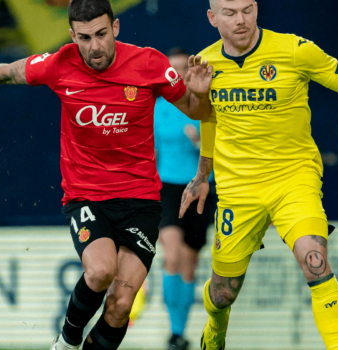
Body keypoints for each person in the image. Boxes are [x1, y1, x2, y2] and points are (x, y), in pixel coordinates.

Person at [0, 1, 214, 349]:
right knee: (99, 271)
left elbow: (196, 110)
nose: (95, 46)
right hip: (86, 194)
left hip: (141, 200)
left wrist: (200, 94)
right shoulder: (60, 63)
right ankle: (66, 341)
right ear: (72, 35)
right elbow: (10, 70)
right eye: (84, 37)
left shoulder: (149, 63)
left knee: (121, 305)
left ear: (117, 28)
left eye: (101, 34)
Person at [179, 1, 338, 349]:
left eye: (248, 9)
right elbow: (210, 118)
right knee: (223, 293)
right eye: (230, 12)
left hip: (294, 179)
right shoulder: (206, 63)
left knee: (315, 260)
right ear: (212, 18)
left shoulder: (294, 50)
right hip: (239, 188)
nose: (241, 20)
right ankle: (215, 332)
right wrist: (202, 174)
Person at [155, 47, 216, 350]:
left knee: (190, 264)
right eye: (172, 68)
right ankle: (173, 330)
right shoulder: (157, 106)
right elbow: (147, 151)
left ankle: (179, 332)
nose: (177, 74)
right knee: (171, 256)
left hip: (201, 186)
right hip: (166, 187)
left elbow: (222, 146)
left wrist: (199, 141)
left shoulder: (205, 104)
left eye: (182, 68)